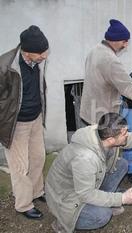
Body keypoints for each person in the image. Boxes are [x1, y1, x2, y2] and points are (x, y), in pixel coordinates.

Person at [0, 25, 49, 219]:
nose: (44, 56)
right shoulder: (5, 67)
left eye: (45, 52)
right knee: (20, 167)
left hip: (35, 118)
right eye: (41, 53)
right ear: (26, 52)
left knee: (38, 158)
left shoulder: (38, 61)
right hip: (16, 124)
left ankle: (36, 192)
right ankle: (23, 204)